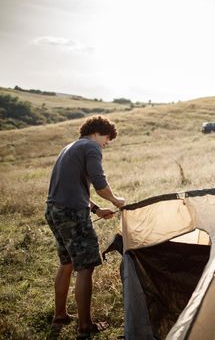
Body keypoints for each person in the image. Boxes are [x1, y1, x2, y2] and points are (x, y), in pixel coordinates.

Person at [45, 115, 125, 338]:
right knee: (85, 267)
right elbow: (99, 184)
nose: (106, 144)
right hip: (71, 213)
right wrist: (117, 201)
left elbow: (73, 187)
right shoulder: (91, 147)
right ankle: (85, 326)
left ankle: (59, 315)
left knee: (67, 263)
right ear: (98, 132)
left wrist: (96, 210)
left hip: (54, 209)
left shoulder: (70, 147)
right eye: (107, 139)